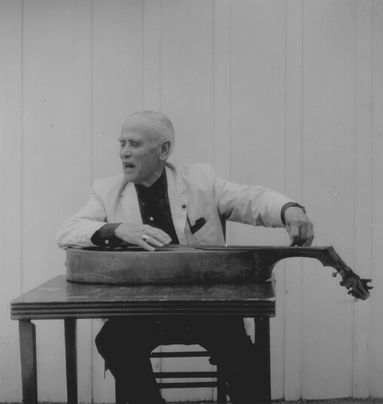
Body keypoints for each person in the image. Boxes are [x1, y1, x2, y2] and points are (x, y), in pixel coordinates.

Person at [57, 111, 314, 404]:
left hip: (206, 309)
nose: (124, 153)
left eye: (135, 144)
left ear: (163, 150)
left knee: (243, 358)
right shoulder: (107, 190)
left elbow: (250, 199)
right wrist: (118, 229)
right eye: (122, 143)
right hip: (143, 312)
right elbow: (67, 231)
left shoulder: (200, 180)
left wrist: (289, 209)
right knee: (113, 342)